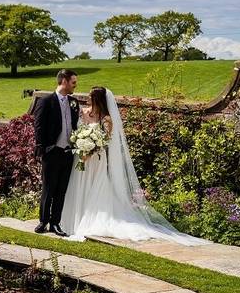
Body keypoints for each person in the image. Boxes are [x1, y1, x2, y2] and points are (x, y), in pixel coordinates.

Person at [58, 87, 205, 245]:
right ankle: (73, 219)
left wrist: (90, 151)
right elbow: (78, 130)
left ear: (98, 100)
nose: (88, 99)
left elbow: (104, 142)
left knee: (95, 186)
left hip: (96, 160)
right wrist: (81, 145)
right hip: (81, 158)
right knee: (79, 185)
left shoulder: (106, 119)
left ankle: (88, 220)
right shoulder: (85, 112)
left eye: (91, 97)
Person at [32, 69, 80, 236]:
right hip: (51, 152)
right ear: (64, 81)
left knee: (61, 190)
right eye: (73, 82)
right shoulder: (46, 101)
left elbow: (75, 126)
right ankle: (43, 221)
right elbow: (38, 126)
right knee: (48, 188)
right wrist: (43, 148)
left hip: (68, 153)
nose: (75, 85)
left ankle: (55, 224)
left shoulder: (74, 102)